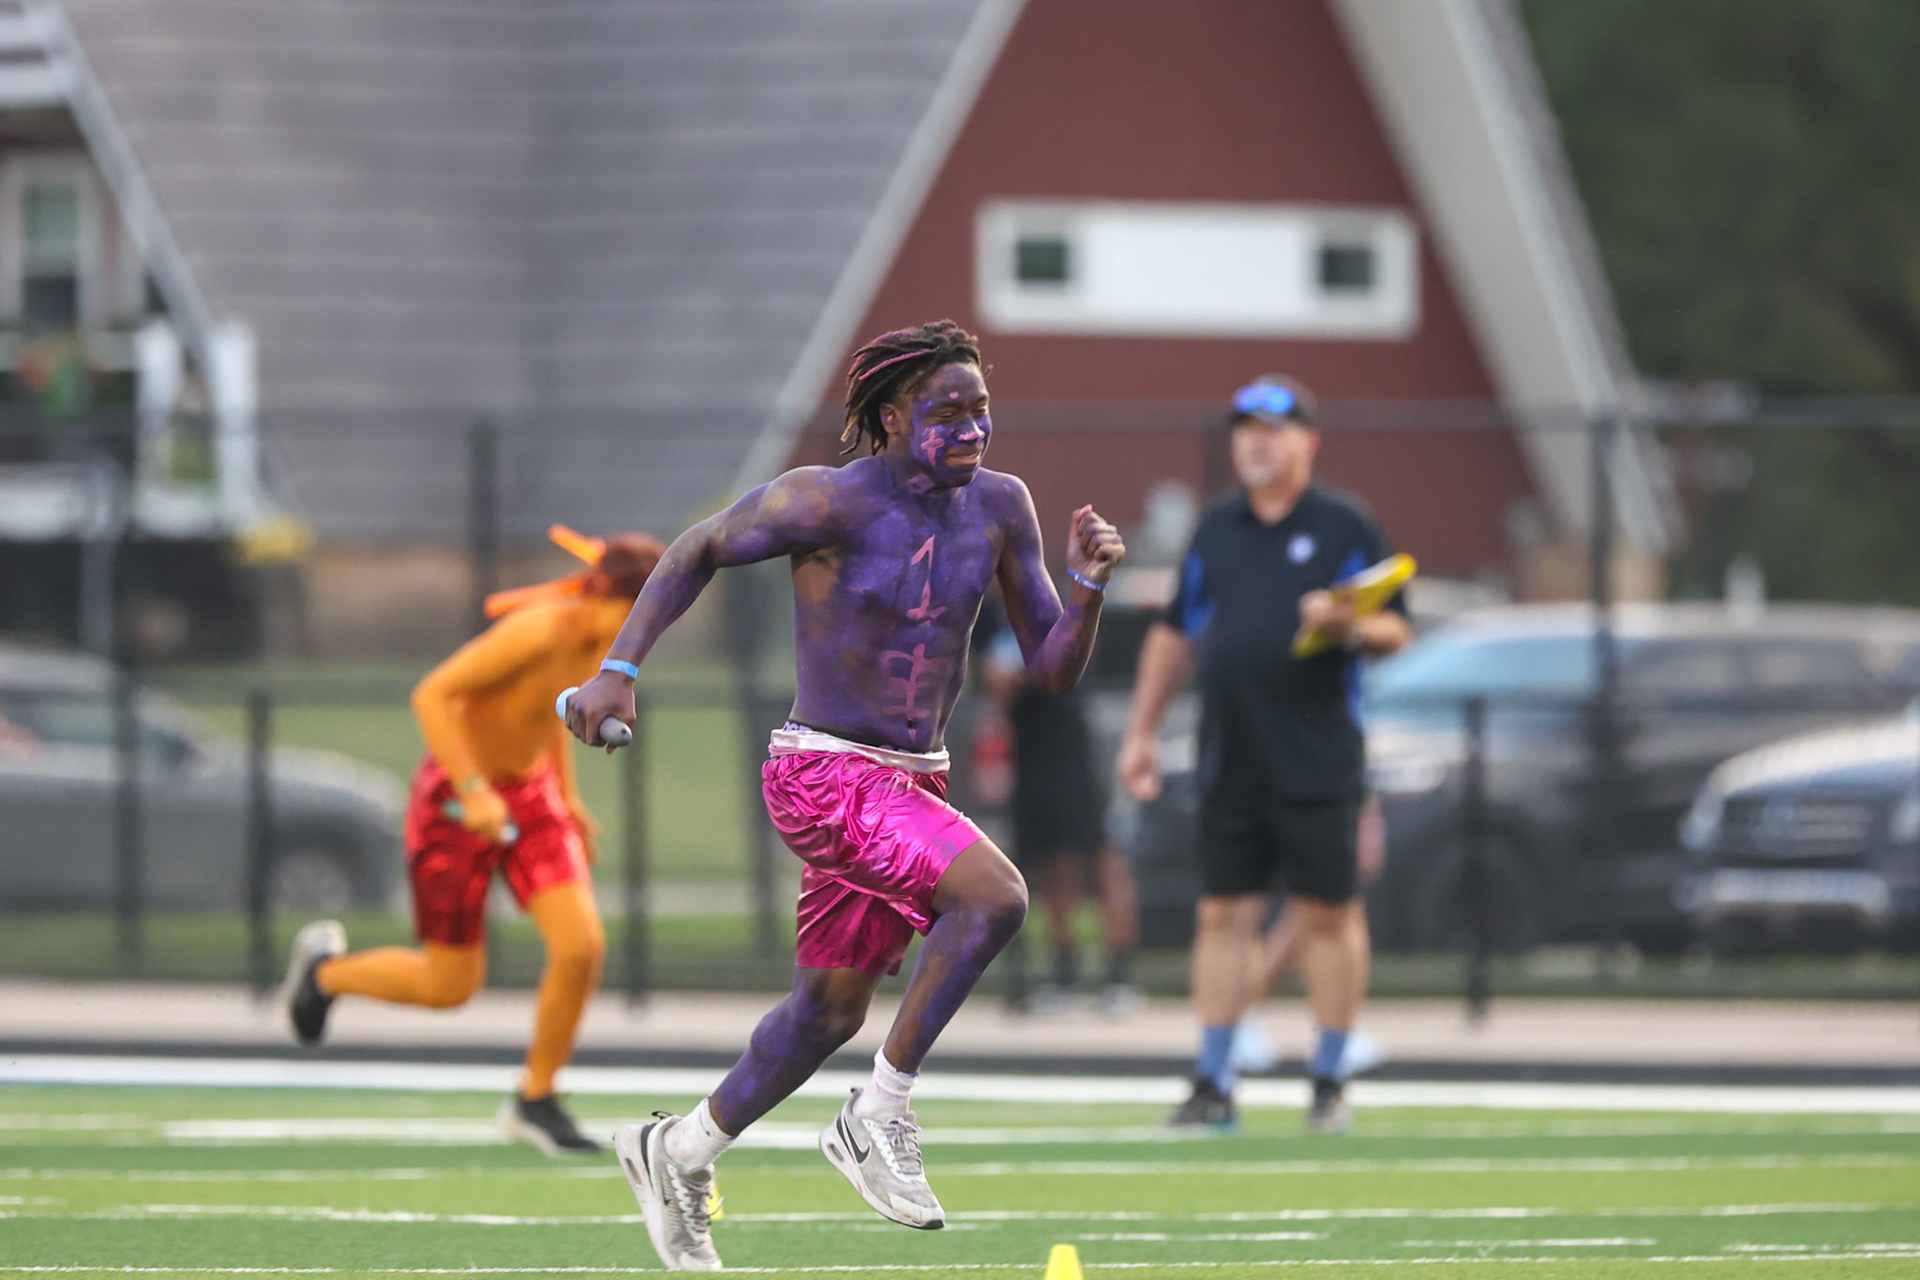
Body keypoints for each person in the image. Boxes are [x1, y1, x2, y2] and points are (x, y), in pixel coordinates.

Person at [564, 320, 1123, 1271]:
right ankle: (879, 1113)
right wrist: (618, 669)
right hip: (824, 772)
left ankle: (677, 1151)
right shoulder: (826, 498)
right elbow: (698, 547)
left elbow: (1052, 669)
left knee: (826, 1013)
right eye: (946, 412)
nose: (970, 429)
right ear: (894, 416)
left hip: (914, 780)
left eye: (981, 408)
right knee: (996, 898)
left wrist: (1088, 587)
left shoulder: (1001, 506)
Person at [280, 526, 666, 1157]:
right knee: (449, 985)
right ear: (608, 596)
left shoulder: (604, 649)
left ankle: (536, 1097)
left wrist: (566, 798)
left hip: (531, 798)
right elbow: (433, 695)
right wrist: (474, 789)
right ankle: (326, 974)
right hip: (456, 801)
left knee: (581, 946)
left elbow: (549, 713)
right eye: (644, 610)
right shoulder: (539, 630)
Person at [1116, 375, 1409, 1134]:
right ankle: (1213, 1082)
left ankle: (1330, 1080)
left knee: (1328, 914)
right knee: (1223, 912)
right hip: (1231, 750)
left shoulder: (1344, 524)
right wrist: (1142, 731)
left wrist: (1347, 624)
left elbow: (1395, 627)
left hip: (1317, 752)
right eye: (1245, 429)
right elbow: (1176, 631)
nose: (1255, 442)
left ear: (1307, 440)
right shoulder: (1217, 526)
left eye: (1271, 429)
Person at [979, 622, 1139, 1014]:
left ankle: (1119, 976)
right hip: (1033, 766)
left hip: (1074, 763)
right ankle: (1065, 974)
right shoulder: (1003, 632)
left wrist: (1025, 672)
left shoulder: (1061, 622)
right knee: (1055, 869)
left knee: (1102, 863)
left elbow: (1051, 674)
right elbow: (1000, 692)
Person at [1232, 793, 1388, 1077]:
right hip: (1315, 800)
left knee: (1326, 919)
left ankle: (1336, 1028)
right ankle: (1240, 1016)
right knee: (1312, 919)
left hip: (1333, 798)